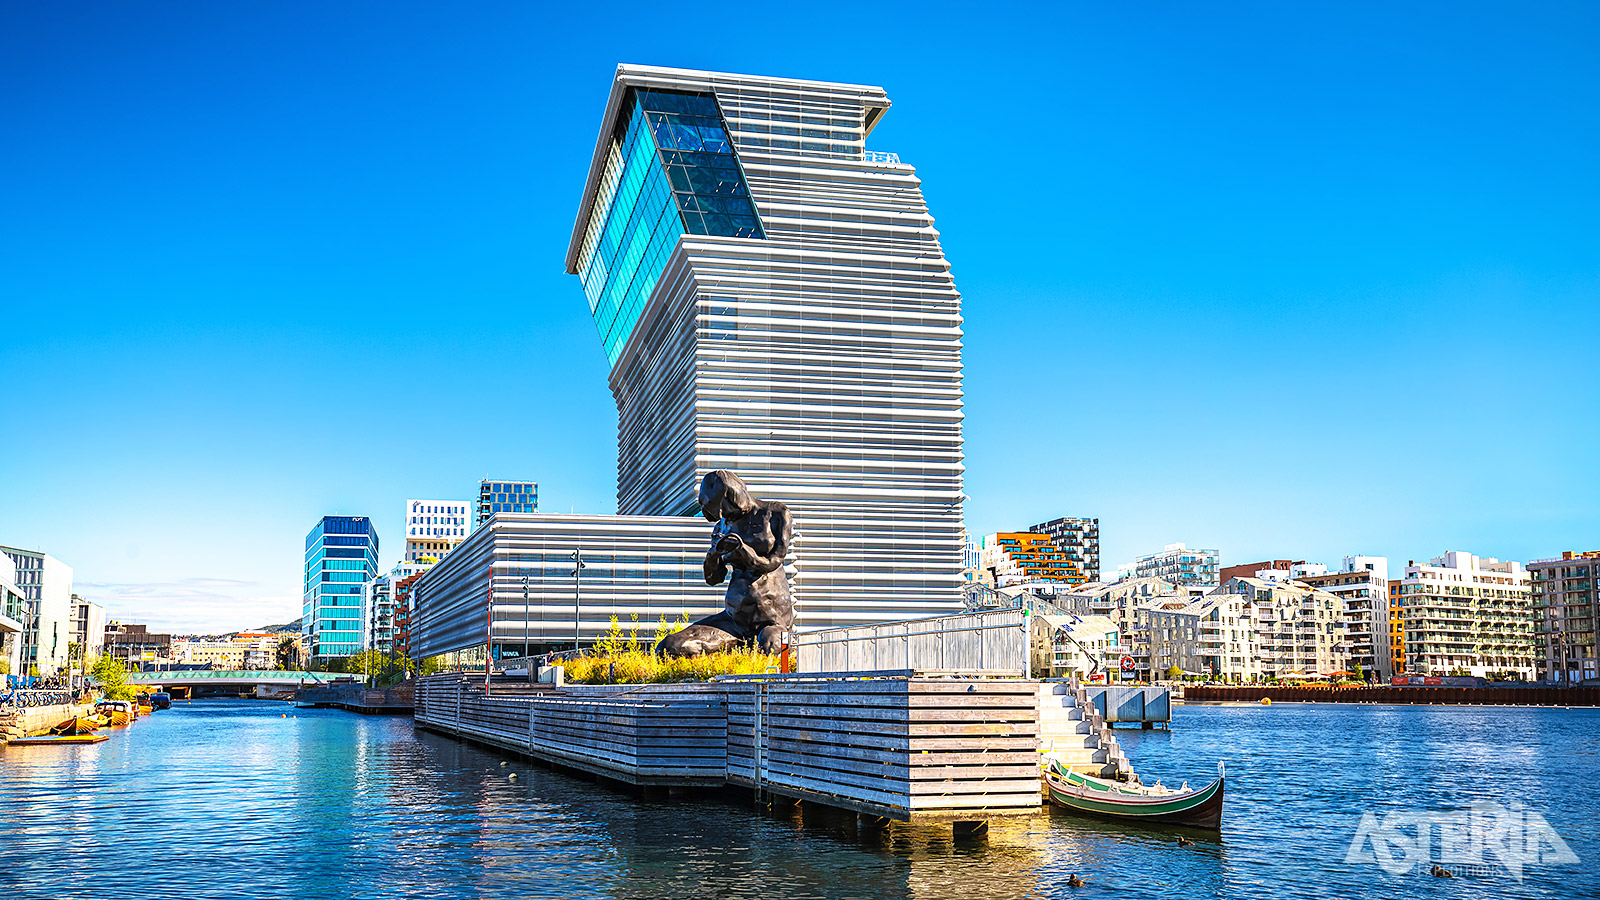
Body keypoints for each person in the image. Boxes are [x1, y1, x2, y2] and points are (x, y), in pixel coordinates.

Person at [658, 470, 795, 657]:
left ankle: (777, 681)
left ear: (733, 497)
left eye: (723, 509)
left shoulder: (776, 513)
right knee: (670, 646)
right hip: (734, 620)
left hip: (772, 619)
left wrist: (743, 550)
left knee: (771, 646)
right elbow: (714, 579)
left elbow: (774, 561)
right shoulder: (721, 527)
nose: (723, 516)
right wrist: (713, 554)